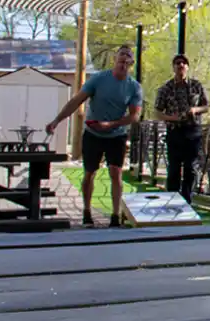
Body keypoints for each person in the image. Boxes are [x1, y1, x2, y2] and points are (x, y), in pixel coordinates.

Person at [46, 46, 142, 228]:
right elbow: (76, 101)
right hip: (93, 133)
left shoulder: (133, 87)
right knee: (90, 172)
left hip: (116, 134)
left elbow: (134, 116)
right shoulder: (99, 79)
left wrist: (111, 124)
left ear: (131, 63)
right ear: (115, 59)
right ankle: (87, 211)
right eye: (121, 56)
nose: (123, 60)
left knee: (116, 172)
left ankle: (115, 215)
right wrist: (56, 120)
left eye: (128, 57)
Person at [154, 54, 210, 204]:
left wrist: (195, 110)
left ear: (187, 67)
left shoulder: (196, 85)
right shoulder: (166, 88)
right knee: (174, 168)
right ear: (173, 67)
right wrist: (172, 118)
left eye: (184, 63)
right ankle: (172, 200)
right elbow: (157, 112)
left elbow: (206, 106)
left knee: (191, 168)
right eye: (178, 63)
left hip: (193, 131)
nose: (181, 65)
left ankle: (187, 201)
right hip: (175, 131)